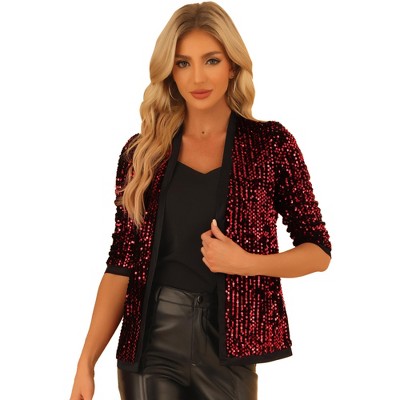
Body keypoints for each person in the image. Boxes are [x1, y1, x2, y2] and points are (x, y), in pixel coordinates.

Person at [70, 2, 332, 399]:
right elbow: (121, 264)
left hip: (230, 352)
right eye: (182, 63)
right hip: (152, 345)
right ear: (169, 72)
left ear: (233, 66)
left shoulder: (270, 145)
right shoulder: (143, 153)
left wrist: (247, 263)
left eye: (211, 60)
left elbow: (318, 252)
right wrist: (86, 362)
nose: (197, 77)